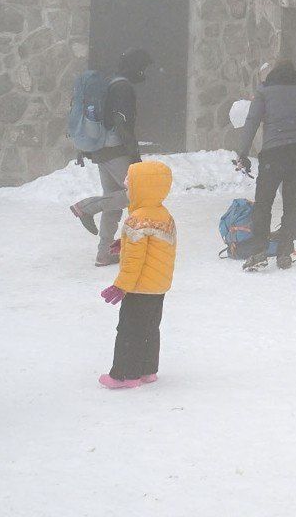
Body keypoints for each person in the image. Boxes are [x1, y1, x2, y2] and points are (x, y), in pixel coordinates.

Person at [66, 47, 151, 267]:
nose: (144, 73)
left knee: (113, 200)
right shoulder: (123, 87)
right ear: (134, 67)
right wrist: (135, 156)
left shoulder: (110, 82)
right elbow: (122, 123)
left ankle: (103, 254)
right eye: (142, 68)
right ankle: (86, 207)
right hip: (116, 151)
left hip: (101, 151)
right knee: (138, 195)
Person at [235, 59, 296, 271]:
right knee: (292, 202)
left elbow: (252, 121)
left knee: (264, 202)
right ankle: (285, 250)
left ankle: (259, 251)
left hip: (272, 154)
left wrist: (243, 152)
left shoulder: (265, 91)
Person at [97, 159, 175, 389]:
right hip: (158, 286)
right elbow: (156, 246)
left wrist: (121, 285)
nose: (127, 188)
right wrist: (125, 243)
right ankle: (147, 370)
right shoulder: (164, 215)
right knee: (150, 328)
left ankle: (124, 375)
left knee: (129, 330)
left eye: (130, 184)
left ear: (142, 188)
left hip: (139, 286)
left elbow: (134, 261)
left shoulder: (136, 219)